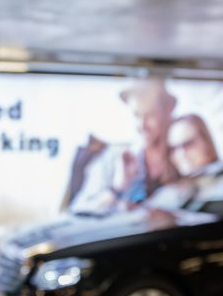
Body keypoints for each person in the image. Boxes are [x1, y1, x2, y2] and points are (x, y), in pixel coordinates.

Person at [67, 78, 180, 214]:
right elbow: (79, 209)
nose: (142, 125)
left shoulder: (183, 154)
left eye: (150, 115)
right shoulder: (112, 158)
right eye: (136, 115)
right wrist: (117, 189)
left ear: (166, 113)